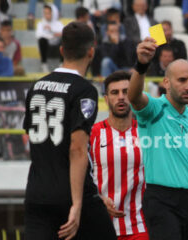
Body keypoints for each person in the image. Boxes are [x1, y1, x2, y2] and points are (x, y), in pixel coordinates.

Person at [127, 37, 188, 240]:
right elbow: (134, 96)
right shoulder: (155, 108)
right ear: (166, 82)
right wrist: (142, 65)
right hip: (160, 198)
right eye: (182, 80)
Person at [23, 22, 116, 240]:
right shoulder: (84, 90)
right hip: (70, 194)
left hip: (37, 193)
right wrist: (77, 204)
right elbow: (77, 148)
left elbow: (33, 140)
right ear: (91, 52)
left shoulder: (36, 86)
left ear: (62, 50)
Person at [90, 71, 148, 240]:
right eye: (115, 93)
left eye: (126, 92)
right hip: (99, 226)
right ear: (106, 99)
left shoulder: (147, 133)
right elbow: (78, 176)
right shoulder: (92, 134)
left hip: (139, 227)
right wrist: (98, 198)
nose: (121, 97)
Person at [35, 4, 64, 72]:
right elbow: (39, 35)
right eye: (45, 13)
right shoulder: (41, 24)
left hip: (57, 46)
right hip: (47, 47)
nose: (46, 15)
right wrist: (54, 35)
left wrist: (51, 31)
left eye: (48, 13)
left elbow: (64, 33)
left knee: (64, 40)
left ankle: (62, 63)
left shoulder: (59, 23)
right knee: (42, 40)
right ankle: (44, 63)